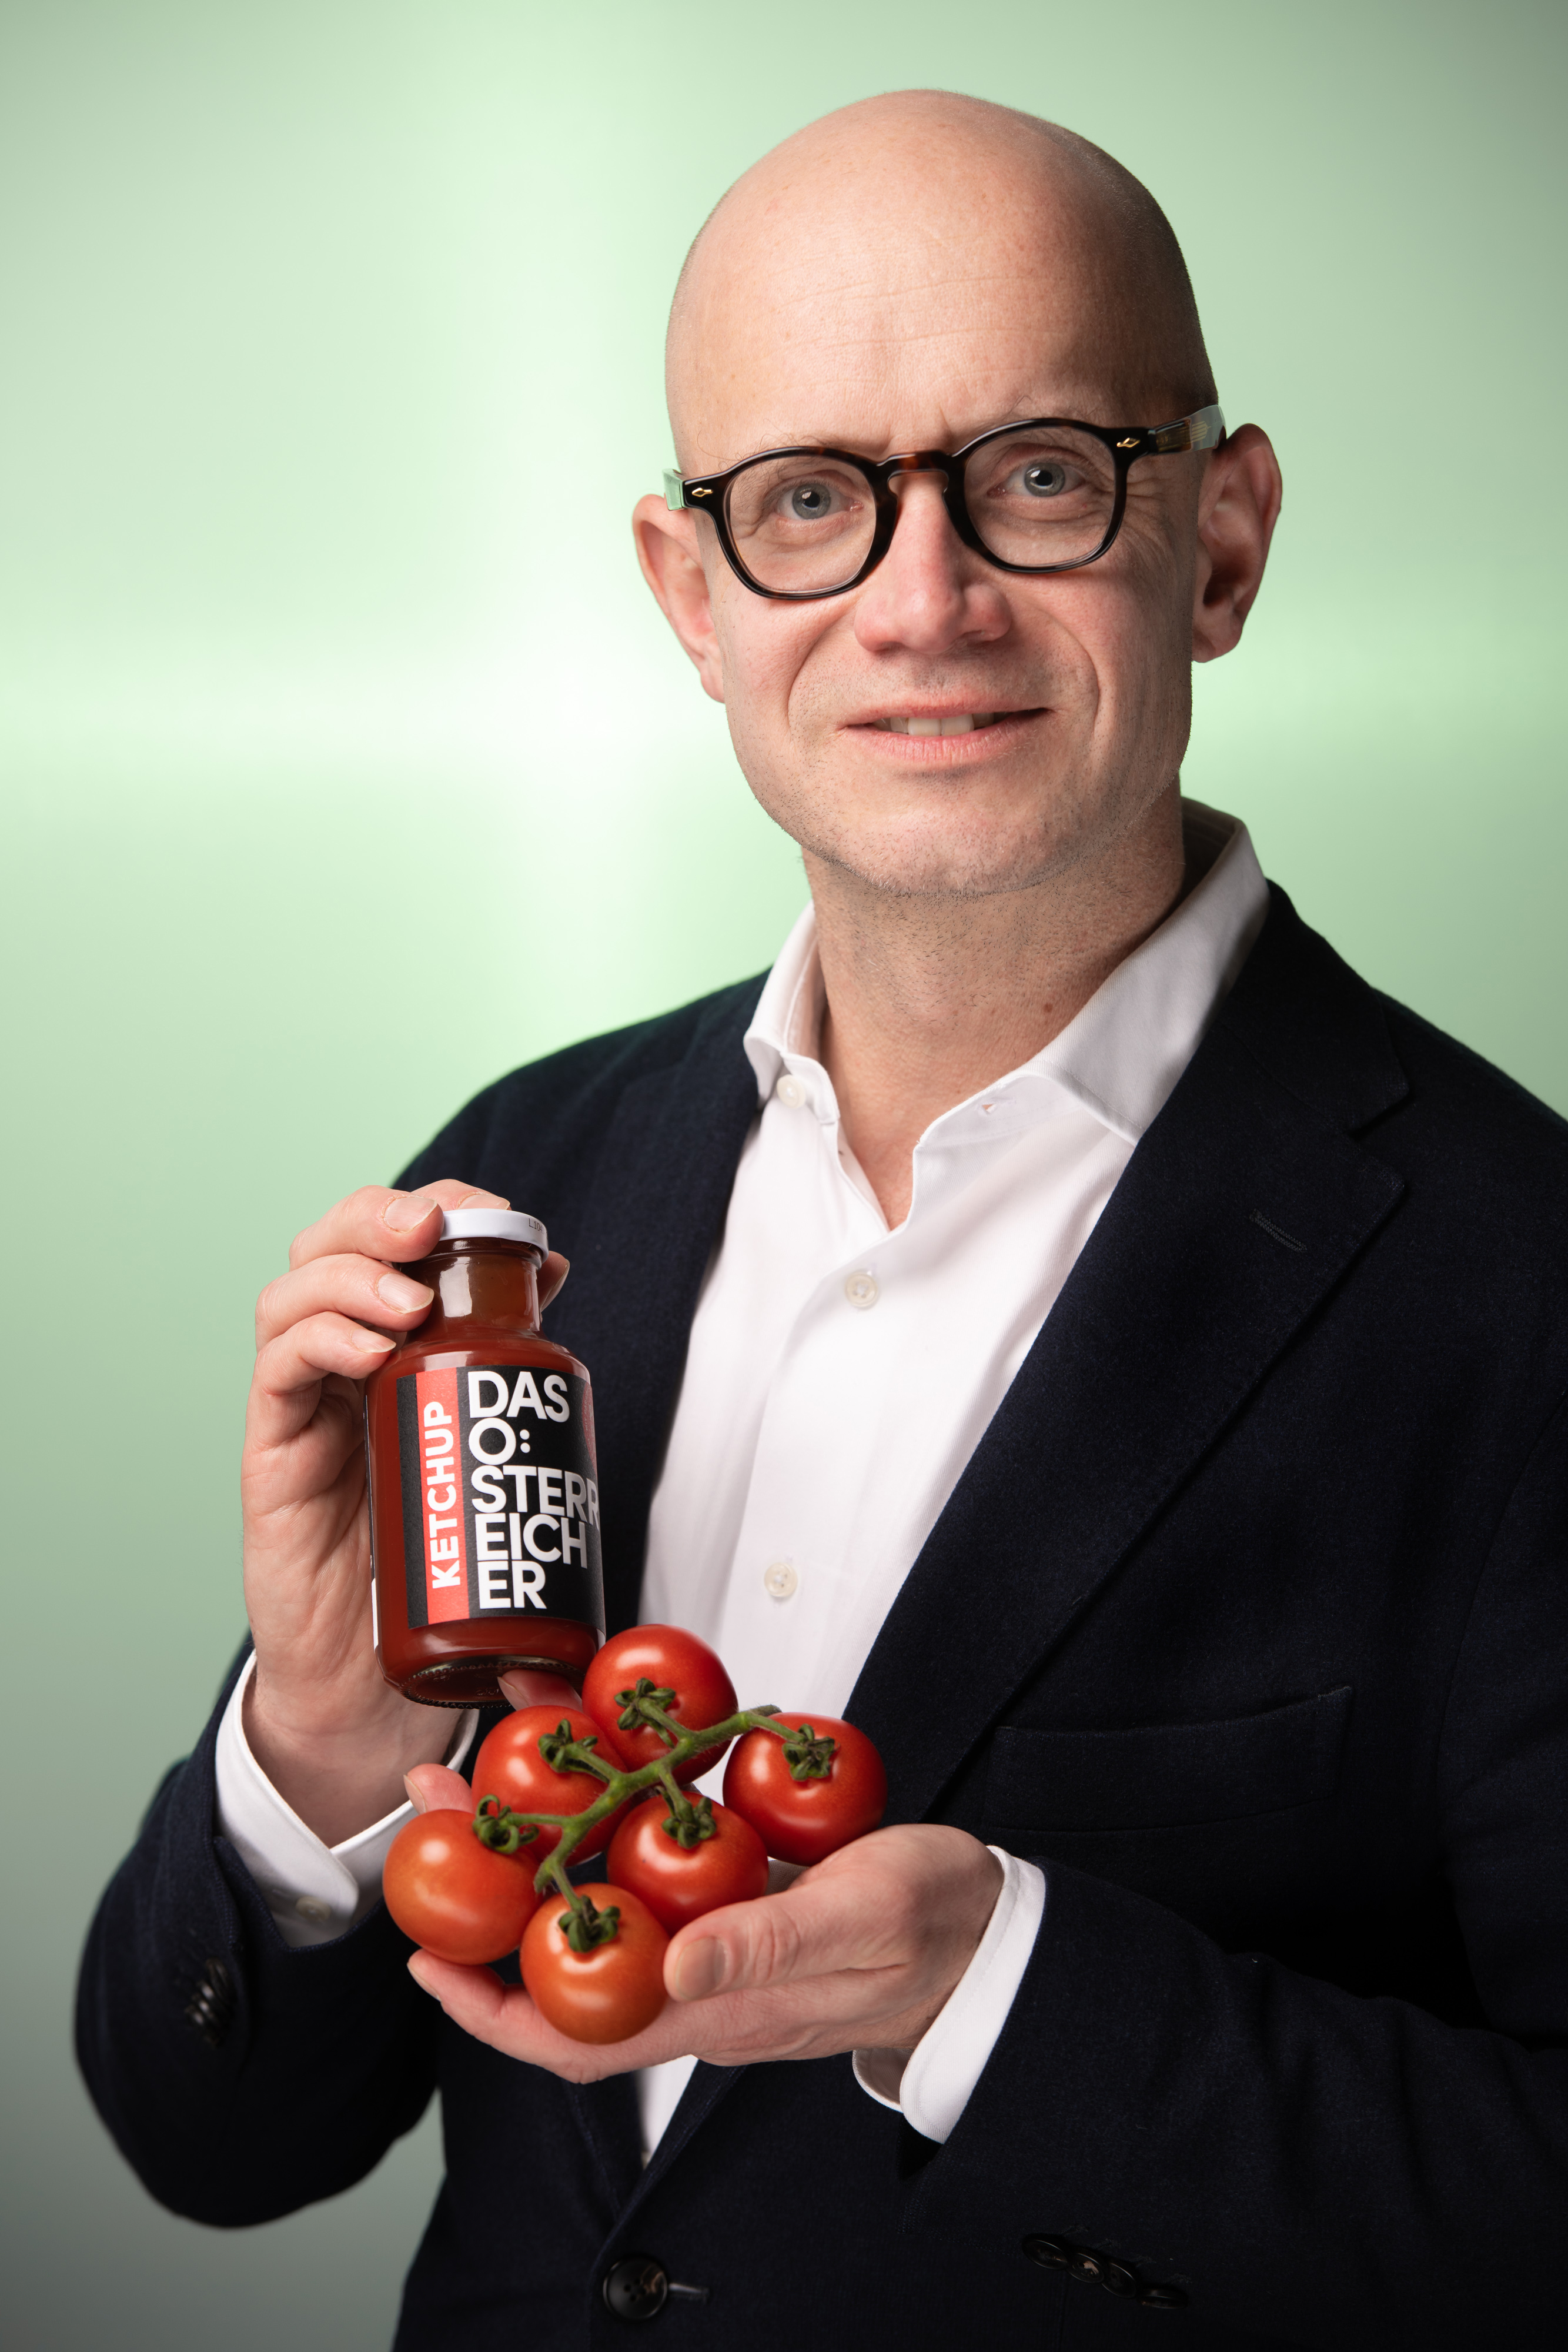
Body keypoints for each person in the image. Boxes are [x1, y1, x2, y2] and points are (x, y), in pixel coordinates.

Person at [78, 91, 1568, 2350]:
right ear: (692, 600)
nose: (921, 601)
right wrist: (323, 1753)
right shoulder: (522, 1190)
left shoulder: (1520, 1286)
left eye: (1040, 473)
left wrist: (1001, 1994)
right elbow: (214, 2148)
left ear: (1222, 540)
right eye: (804, 501)